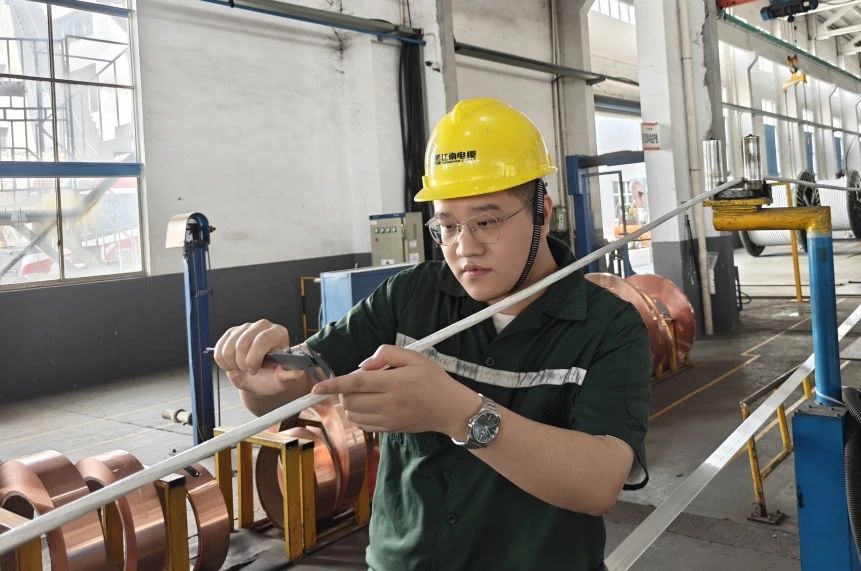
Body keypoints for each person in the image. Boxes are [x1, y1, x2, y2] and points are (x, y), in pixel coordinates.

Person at [214, 97, 651, 570]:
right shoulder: (411, 296)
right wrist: (261, 384)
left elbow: (598, 484)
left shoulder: (608, 326)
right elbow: (299, 386)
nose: (465, 247)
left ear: (542, 213)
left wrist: (459, 414)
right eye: (447, 226)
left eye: (486, 222)